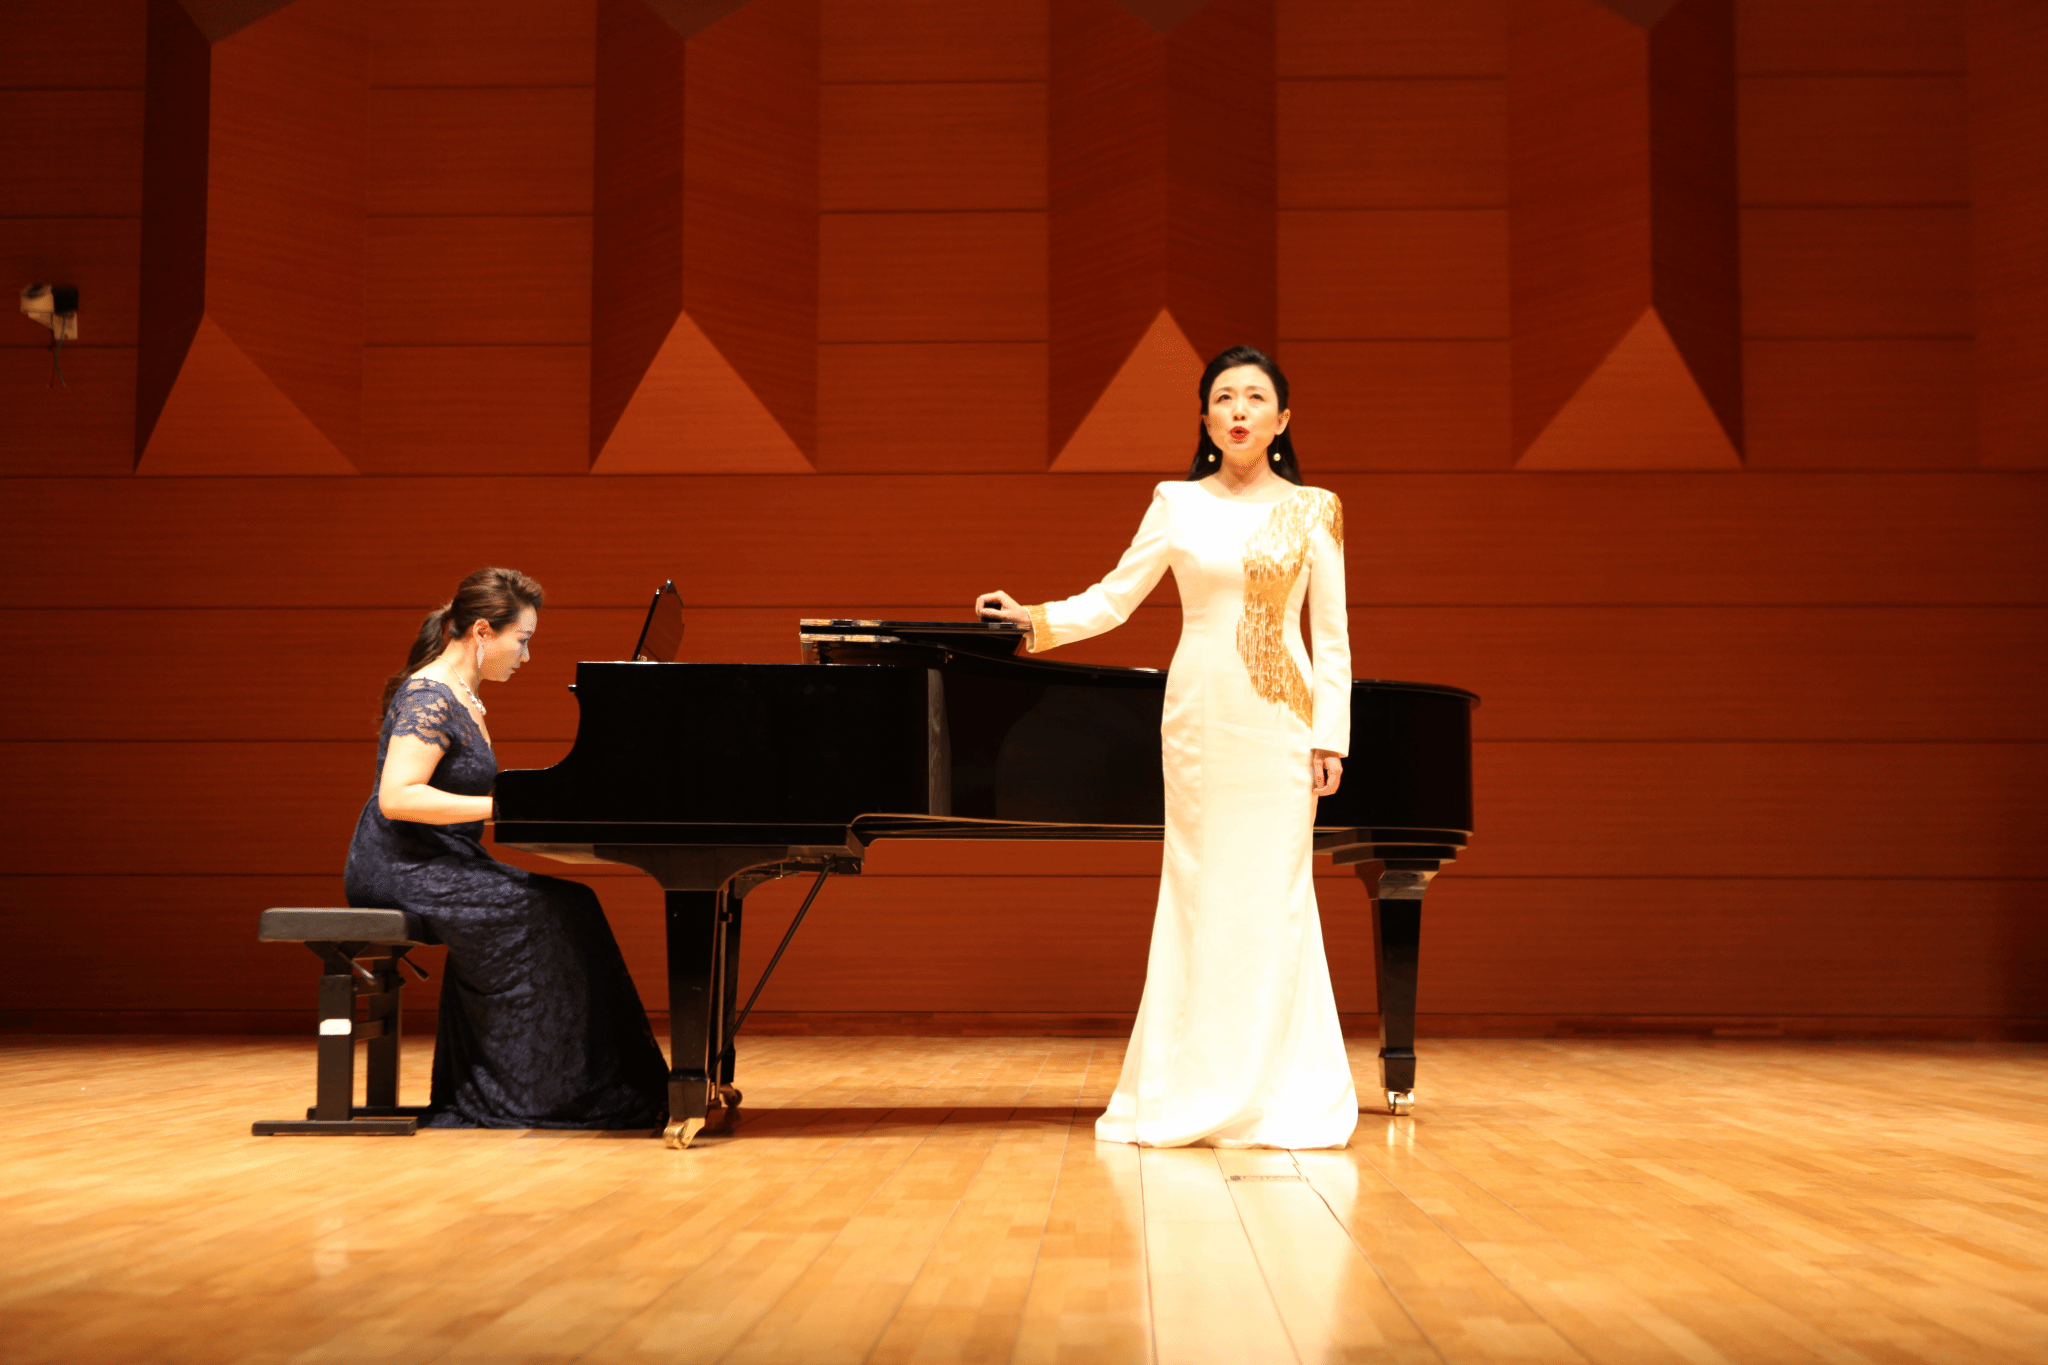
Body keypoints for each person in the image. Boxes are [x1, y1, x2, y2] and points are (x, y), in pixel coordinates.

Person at [976, 346, 1356, 1149]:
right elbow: (1115, 598)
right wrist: (1034, 619)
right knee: (1199, 889)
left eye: (1256, 398)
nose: (1240, 410)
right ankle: (1192, 1083)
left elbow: (1332, 636)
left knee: (1276, 895)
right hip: (1199, 721)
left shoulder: (1316, 508)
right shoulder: (1176, 502)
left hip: (1281, 725)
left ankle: (1278, 1089)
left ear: (1283, 419)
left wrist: (1331, 737)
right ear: (1206, 417)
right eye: (1225, 398)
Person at [344, 567, 668, 1129]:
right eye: (522, 639)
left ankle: (583, 1084)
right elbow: (397, 798)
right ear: (481, 632)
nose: (526, 655)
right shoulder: (429, 694)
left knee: (575, 903)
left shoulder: (463, 694)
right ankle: (537, 1093)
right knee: (542, 912)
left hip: (443, 860)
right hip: (400, 866)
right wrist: (505, 809)